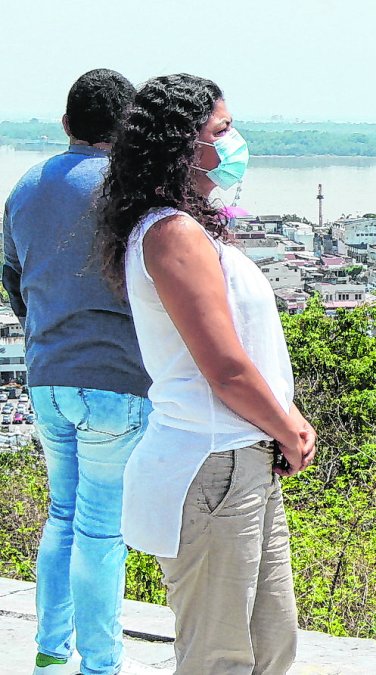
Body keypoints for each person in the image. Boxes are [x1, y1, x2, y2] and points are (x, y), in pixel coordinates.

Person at [96, 73, 316, 674]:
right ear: (183, 144)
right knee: (219, 657)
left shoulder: (190, 228)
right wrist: (289, 427)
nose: (234, 142)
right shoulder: (171, 234)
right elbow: (223, 366)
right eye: (221, 130)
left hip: (245, 456)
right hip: (211, 462)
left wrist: (280, 425)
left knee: (272, 643)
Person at [2, 68, 153, 675]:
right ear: (125, 128)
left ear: (66, 125)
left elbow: (12, 278)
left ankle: (49, 651)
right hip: (115, 377)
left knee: (61, 515)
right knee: (100, 530)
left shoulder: (26, 186)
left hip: (47, 376)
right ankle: (100, 664)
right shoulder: (129, 188)